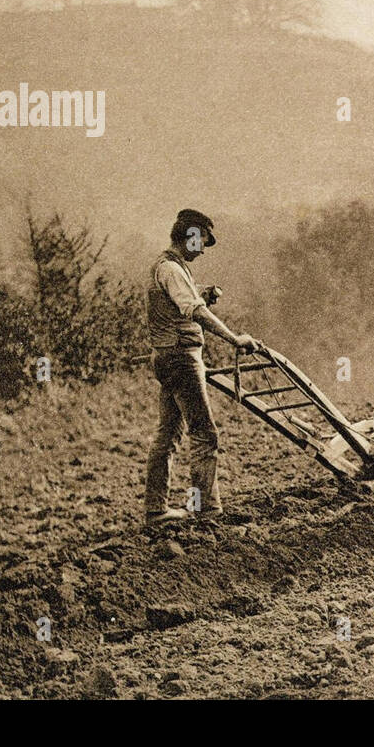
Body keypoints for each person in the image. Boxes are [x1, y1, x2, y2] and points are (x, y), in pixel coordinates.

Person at [144, 208, 257, 525]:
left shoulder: (167, 268)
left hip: (166, 358)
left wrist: (203, 295)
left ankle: (156, 510)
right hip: (182, 358)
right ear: (190, 236)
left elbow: (183, 305)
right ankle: (207, 511)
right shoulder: (172, 270)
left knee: (167, 435)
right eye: (202, 241)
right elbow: (193, 311)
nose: (204, 249)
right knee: (205, 434)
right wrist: (234, 339)